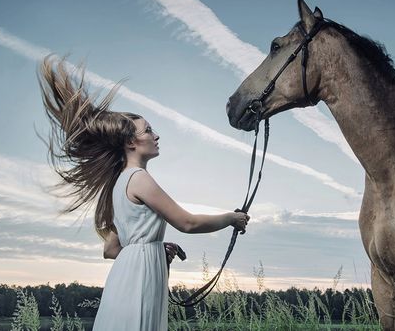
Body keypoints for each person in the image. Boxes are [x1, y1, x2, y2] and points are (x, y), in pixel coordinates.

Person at [37, 56, 250, 330]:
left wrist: (154, 248)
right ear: (130, 142)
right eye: (148, 130)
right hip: (140, 278)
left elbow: (111, 249)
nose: (156, 135)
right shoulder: (139, 179)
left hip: (126, 277)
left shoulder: (119, 183)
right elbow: (187, 223)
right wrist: (232, 218)